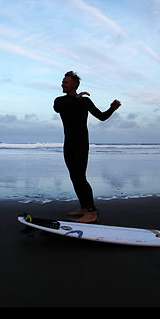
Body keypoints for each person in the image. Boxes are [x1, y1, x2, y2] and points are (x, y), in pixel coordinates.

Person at [53, 71, 121, 223]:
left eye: (66, 82)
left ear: (75, 85)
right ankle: (84, 207)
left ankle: (91, 211)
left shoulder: (85, 102)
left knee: (80, 177)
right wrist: (75, 99)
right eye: (62, 81)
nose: (62, 84)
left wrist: (112, 108)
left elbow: (102, 117)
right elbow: (58, 108)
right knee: (74, 176)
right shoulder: (59, 101)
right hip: (68, 143)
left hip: (81, 143)